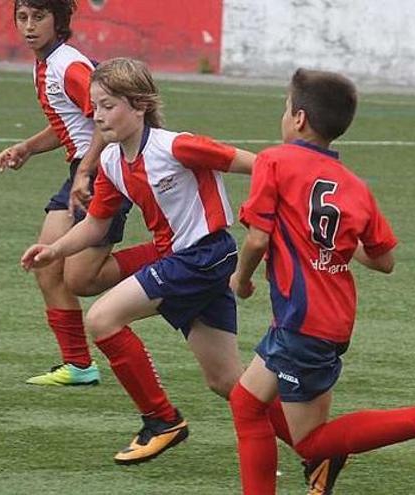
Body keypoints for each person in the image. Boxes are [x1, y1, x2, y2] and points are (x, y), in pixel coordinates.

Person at [20, 57, 304, 467]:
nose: (98, 116)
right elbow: (96, 225)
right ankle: (313, 448)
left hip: (204, 256)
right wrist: (55, 250)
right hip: (187, 261)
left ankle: (162, 421)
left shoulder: (176, 146)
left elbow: (259, 165)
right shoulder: (114, 162)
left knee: (102, 319)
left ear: (139, 106)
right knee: (228, 381)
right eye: (95, 106)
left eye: (108, 105)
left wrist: (293, 197)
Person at [227, 68, 415, 495]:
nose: (284, 116)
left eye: (285, 107)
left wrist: (241, 278)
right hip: (327, 314)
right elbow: (384, 260)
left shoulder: (273, 160)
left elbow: (256, 238)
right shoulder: (355, 186)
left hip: (302, 320)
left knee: (310, 440)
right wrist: (337, 246)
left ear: (300, 118)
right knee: (247, 402)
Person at [0, 1, 159, 386]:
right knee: (46, 265)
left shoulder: (69, 66)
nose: (30, 26)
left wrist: (87, 171)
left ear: (59, 21)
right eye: (23, 17)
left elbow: (106, 121)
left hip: (105, 172)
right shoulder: (47, 64)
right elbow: (72, 123)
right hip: (82, 172)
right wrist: (27, 148)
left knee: (82, 280)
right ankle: (79, 366)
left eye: (39, 17)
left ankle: (175, 257)